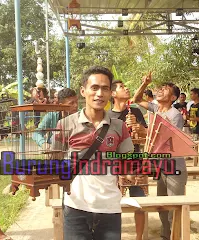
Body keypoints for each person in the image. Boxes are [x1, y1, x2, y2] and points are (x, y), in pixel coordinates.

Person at [51, 66, 134, 240]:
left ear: (111, 92)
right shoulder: (65, 125)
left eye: (105, 88)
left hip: (109, 207)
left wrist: (130, 172)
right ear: (83, 91)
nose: (99, 94)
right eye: (94, 88)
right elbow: (54, 162)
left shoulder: (119, 127)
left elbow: (128, 163)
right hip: (75, 207)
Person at [133, 73, 187, 240]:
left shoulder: (174, 115)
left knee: (174, 208)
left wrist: (144, 130)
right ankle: (166, 235)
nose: (161, 90)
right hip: (161, 167)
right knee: (162, 206)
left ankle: (176, 236)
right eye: (160, 88)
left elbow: (168, 138)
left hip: (174, 168)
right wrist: (144, 83)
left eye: (165, 90)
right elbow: (136, 98)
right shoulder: (156, 109)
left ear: (173, 97)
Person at [108, 80, 147, 240]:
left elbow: (146, 136)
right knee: (112, 205)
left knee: (140, 204)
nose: (127, 88)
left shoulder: (135, 111)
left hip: (136, 162)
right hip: (115, 164)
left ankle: (139, 237)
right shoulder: (108, 116)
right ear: (113, 94)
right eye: (122, 87)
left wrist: (139, 128)